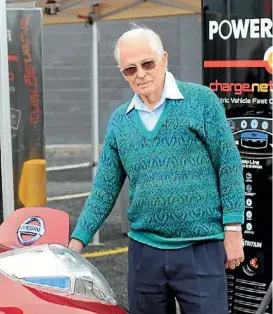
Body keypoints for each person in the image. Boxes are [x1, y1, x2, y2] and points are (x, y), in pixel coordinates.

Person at [69, 26, 245, 314]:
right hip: (144, 253)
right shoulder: (119, 122)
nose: (141, 73)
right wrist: (76, 243)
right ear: (122, 72)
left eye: (147, 63)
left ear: (163, 59)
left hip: (200, 248)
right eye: (130, 69)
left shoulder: (201, 102)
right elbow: (104, 189)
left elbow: (228, 164)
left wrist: (233, 229)